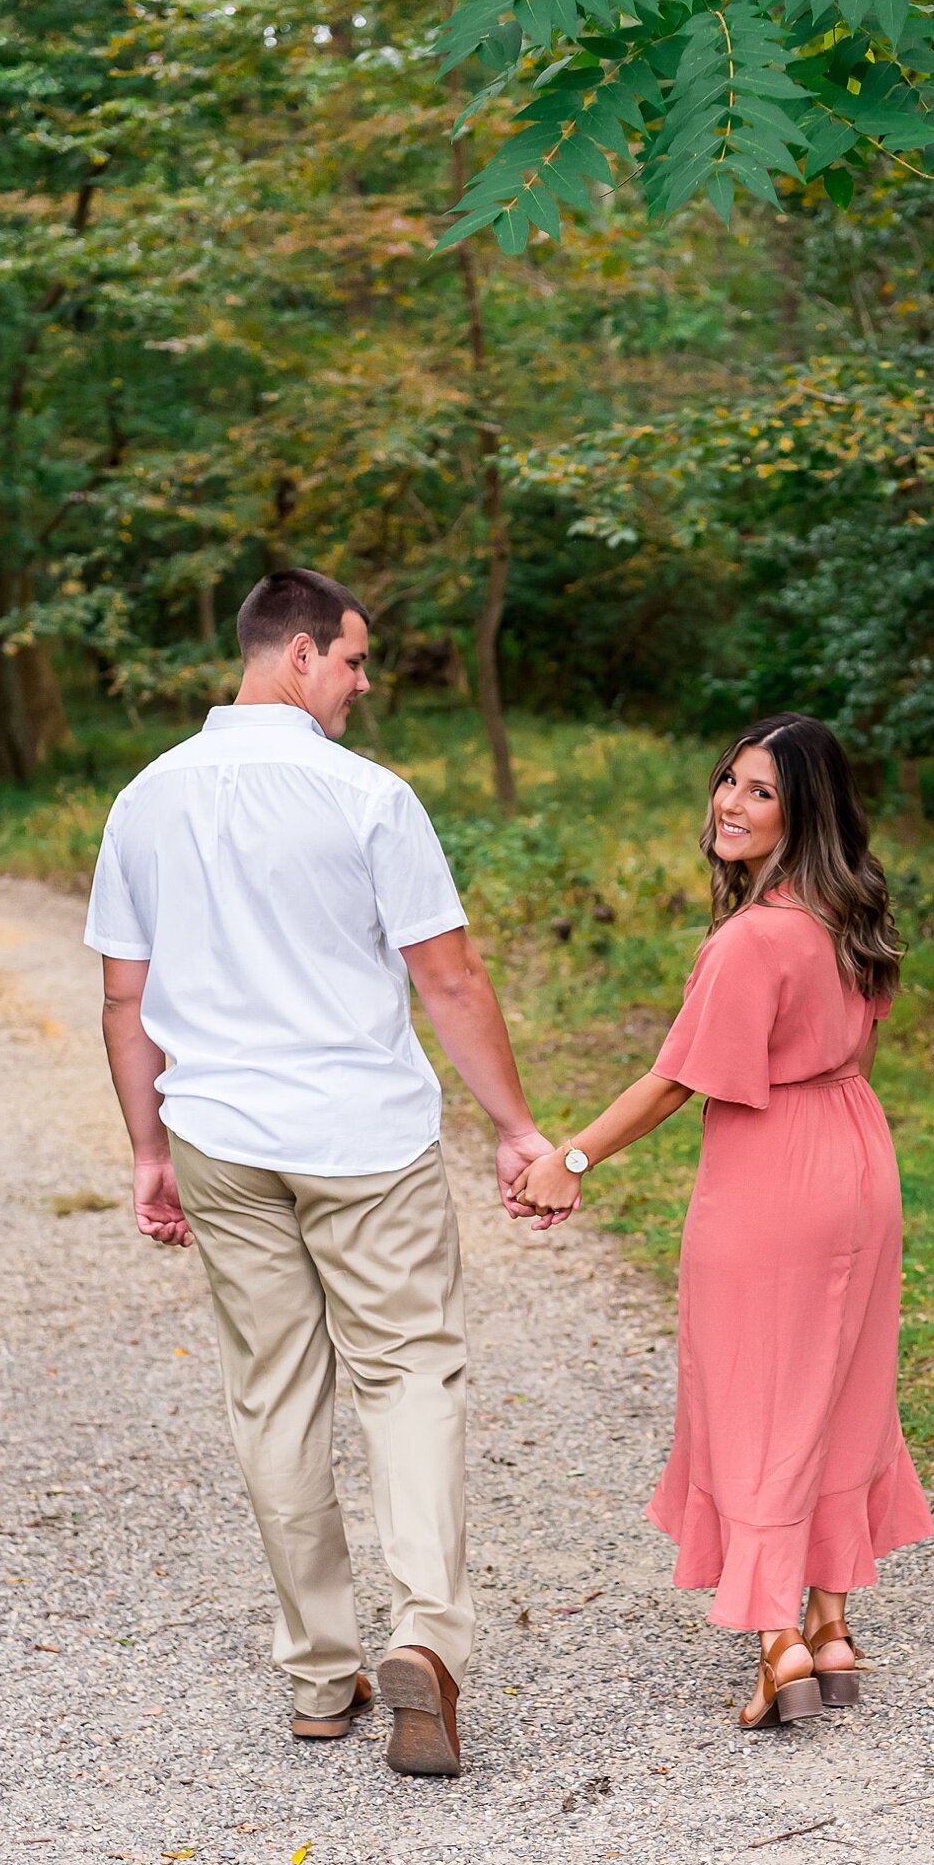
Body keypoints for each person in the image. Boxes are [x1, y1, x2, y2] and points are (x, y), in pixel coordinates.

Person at [84, 568, 568, 1778]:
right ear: (298, 652)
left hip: (223, 1138)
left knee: (274, 1394)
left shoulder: (144, 800)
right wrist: (515, 1127)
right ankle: (426, 1638)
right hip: (362, 1138)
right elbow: (446, 978)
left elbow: (124, 997)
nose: (363, 683)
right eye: (354, 660)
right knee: (408, 1375)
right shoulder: (368, 797)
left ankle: (316, 1672)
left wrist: (149, 1148)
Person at [510, 713, 934, 1729]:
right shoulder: (854, 917)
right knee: (840, 1384)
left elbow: (675, 1083)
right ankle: (831, 1621)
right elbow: (857, 1062)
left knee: (755, 1397)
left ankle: (778, 1636)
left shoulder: (752, 941)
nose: (730, 805)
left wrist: (571, 1158)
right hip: (859, 1161)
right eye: (729, 782)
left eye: (761, 792)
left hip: (772, 1177)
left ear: (804, 813)